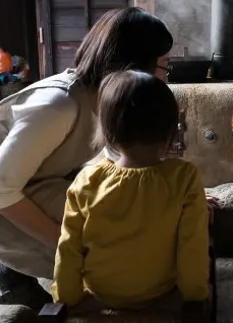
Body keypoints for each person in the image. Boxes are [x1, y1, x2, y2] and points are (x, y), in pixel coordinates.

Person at [0, 7, 216, 309]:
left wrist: (182, 198)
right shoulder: (57, 106)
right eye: (164, 67)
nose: (165, 78)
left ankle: (19, 278)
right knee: (112, 229)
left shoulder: (106, 100)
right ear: (135, 67)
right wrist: (74, 249)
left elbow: (123, 163)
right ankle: (15, 277)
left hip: (33, 183)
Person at [51, 70, 210, 316]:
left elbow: (68, 248)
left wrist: (67, 297)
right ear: (170, 130)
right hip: (159, 292)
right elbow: (193, 245)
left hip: (101, 293)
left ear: (108, 129)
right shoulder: (184, 177)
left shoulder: (88, 180)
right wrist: (195, 296)